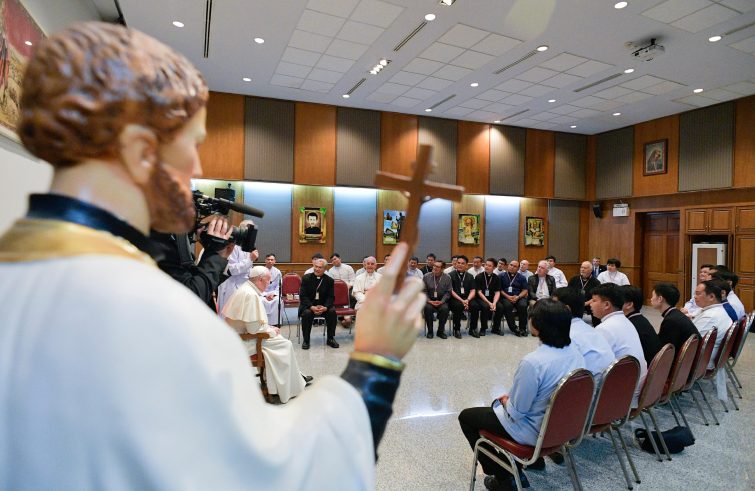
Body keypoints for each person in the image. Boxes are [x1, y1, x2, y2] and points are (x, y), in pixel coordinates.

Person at [0, 22, 426, 490]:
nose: (196, 168)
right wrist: (376, 361)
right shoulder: (153, 316)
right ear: (141, 151)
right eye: (191, 145)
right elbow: (289, 475)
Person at [458, 299, 586, 491]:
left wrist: (505, 401)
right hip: (562, 428)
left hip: (533, 432)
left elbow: (517, 413)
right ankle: (533, 463)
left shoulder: (533, 363)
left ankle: (504, 475)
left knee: (467, 417)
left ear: (536, 325)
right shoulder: (577, 353)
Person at [223, 266, 309, 403]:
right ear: (260, 279)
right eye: (268, 281)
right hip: (245, 341)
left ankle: (294, 378)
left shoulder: (246, 288)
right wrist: (270, 330)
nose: (269, 284)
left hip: (238, 337)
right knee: (285, 344)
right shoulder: (250, 295)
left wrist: (268, 328)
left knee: (280, 340)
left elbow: (252, 324)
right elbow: (253, 329)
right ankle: (283, 387)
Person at [151, 217, 234, 310]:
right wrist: (214, 254)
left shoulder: (168, 238)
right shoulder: (155, 240)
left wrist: (217, 255)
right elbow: (192, 298)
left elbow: (193, 281)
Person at [591, 284, 647, 406]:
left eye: (594, 300)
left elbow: (596, 369)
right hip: (635, 386)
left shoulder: (604, 329)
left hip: (622, 396)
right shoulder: (625, 320)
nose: (590, 304)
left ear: (607, 305)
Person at [552, 288, 615, 384]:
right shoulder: (589, 329)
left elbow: (556, 378)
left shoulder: (566, 336)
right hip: (607, 388)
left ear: (566, 309)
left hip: (587, 389)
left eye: (552, 305)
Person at [692, 280, 733, 401]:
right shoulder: (719, 311)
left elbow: (690, 342)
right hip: (711, 357)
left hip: (701, 361)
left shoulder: (710, 316)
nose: (695, 297)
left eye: (698, 293)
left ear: (711, 297)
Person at [651, 282, 700, 361]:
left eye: (653, 296)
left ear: (660, 299)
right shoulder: (676, 314)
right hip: (690, 360)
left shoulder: (671, 320)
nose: (651, 299)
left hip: (683, 363)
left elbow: (665, 350)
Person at [299, 258, 339, 350]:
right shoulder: (306, 278)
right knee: (307, 313)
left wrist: (325, 307)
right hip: (309, 306)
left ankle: (330, 338)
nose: (317, 269)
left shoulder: (329, 280)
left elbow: (331, 297)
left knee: (332, 312)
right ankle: (306, 340)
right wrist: (311, 306)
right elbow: (303, 296)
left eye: (320, 267)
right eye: (315, 266)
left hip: (323, 306)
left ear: (325, 269)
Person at [216, 235, 260, 316]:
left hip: (245, 285)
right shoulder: (232, 246)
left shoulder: (248, 247)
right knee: (229, 315)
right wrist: (250, 259)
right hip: (231, 285)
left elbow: (248, 268)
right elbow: (231, 270)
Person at [620, 286, 662, 366]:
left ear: (629, 304)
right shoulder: (640, 318)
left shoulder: (629, 325)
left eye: (617, 300)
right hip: (655, 366)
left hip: (646, 369)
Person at [473, 258, 505, 336]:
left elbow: (497, 292)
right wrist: (489, 303)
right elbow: (479, 292)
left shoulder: (496, 277)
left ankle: (495, 328)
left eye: (489, 266)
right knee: (485, 306)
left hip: (492, 298)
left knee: (500, 307)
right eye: (486, 265)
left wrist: (494, 303)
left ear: (494, 267)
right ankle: (483, 328)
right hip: (480, 298)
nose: (487, 267)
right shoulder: (479, 277)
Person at [449, 255, 478, 338]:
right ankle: (457, 329)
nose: (460, 265)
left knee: (475, 306)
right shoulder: (450, 275)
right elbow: (451, 290)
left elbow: (473, 290)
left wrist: (467, 300)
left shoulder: (470, 276)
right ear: (455, 263)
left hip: (467, 298)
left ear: (466, 265)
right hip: (455, 298)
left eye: (462, 263)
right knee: (458, 306)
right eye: (458, 263)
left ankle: (472, 329)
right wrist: (462, 301)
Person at [498, 260, 529, 337]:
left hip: (518, 297)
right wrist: (508, 297)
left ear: (518, 268)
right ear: (508, 266)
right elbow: (499, 289)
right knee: (507, 306)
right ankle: (514, 328)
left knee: (523, 305)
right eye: (511, 265)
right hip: (505, 297)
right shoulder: (501, 276)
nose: (512, 267)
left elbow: (525, 290)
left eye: (515, 266)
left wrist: (518, 297)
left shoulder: (522, 277)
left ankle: (522, 328)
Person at [422, 261, 452, 339]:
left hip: (441, 300)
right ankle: (430, 331)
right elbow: (423, 291)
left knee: (445, 309)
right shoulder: (426, 276)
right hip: (430, 299)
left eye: (437, 267)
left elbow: (448, 292)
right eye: (434, 266)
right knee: (427, 308)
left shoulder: (447, 277)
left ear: (442, 269)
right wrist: (429, 300)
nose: (434, 267)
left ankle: (440, 331)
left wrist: (442, 301)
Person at [568, 261, 601, 325]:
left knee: (596, 307)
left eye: (585, 268)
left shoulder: (596, 282)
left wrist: (585, 303)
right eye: (581, 267)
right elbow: (569, 292)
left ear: (591, 270)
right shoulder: (574, 279)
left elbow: (596, 297)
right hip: (575, 303)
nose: (582, 269)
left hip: (589, 303)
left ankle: (596, 326)